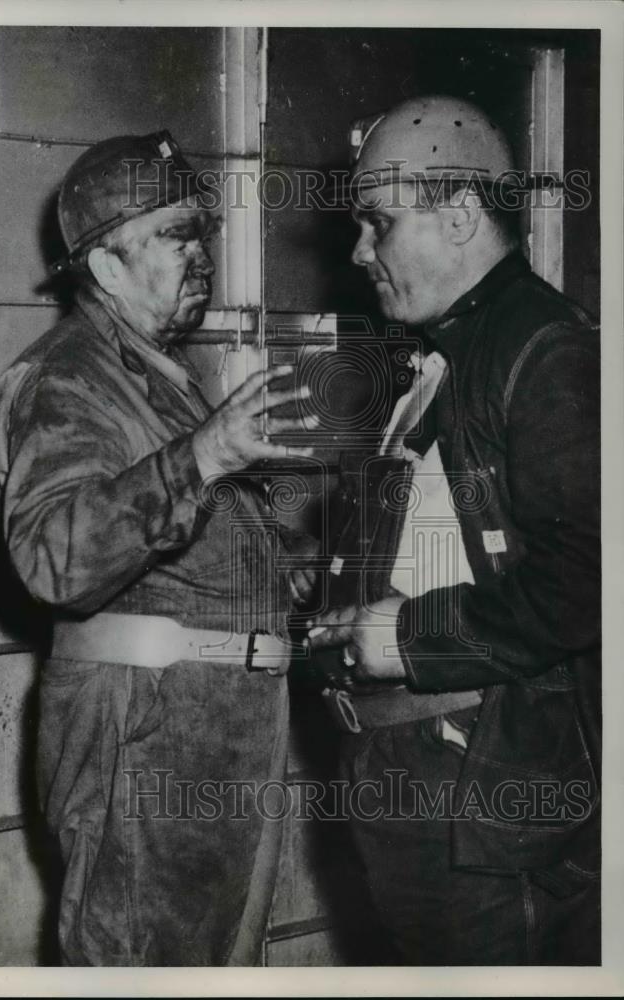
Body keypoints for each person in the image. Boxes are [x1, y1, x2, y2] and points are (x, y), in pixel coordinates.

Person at [0, 131, 316, 966]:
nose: (199, 254)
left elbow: (189, 553)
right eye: (174, 236)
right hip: (145, 739)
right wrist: (206, 454)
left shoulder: (149, 373)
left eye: (199, 233)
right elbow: (56, 559)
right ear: (104, 268)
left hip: (208, 736)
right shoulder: (66, 379)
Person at [308, 96, 601, 965]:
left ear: (462, 215)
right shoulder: (448, 353)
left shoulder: (546, 351)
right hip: (415, 768)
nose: (360, 253)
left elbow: (590, 572)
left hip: (482, 787)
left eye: (380, 224)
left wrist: (410, 635)